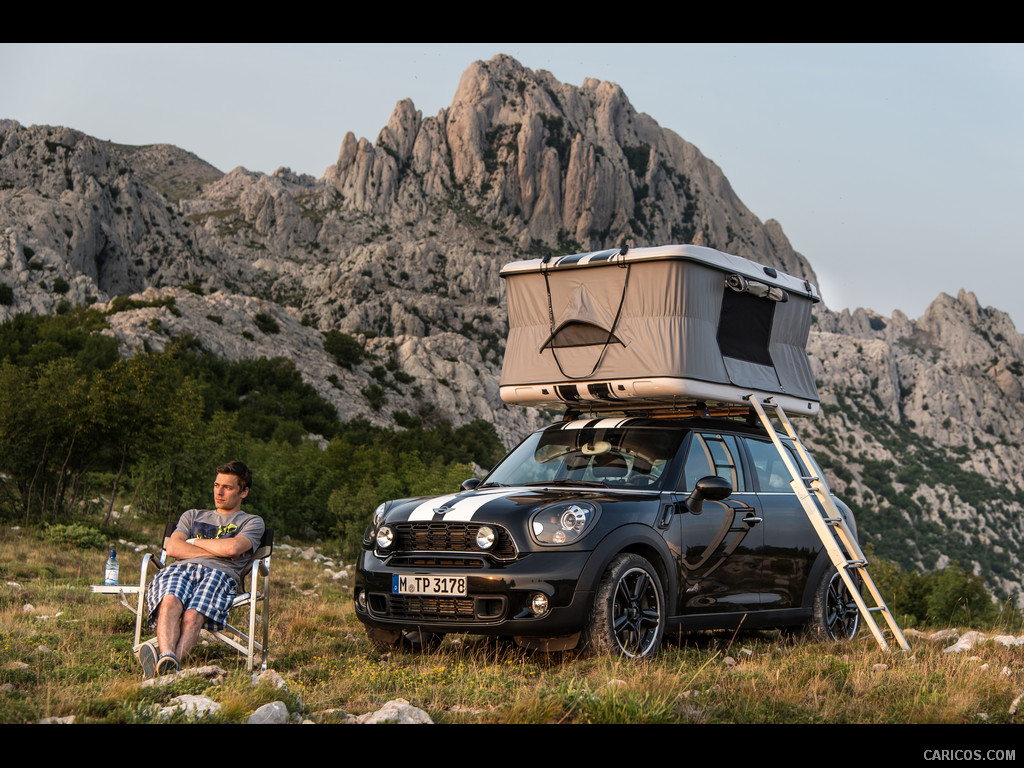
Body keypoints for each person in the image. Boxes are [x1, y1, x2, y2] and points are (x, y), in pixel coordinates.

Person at [138, 461, 265, 677]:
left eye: (228, 487)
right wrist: (219, 551)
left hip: (221, 575)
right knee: (169, 601)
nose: (220, 492)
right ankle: (169, 659)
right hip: (180, 570)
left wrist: (194, 542)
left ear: (244, 492)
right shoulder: (192, 516)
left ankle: (166, 664)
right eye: (217, 485)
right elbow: (173, 547)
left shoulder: (252, 522)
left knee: (193, 615)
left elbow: (233, 547)